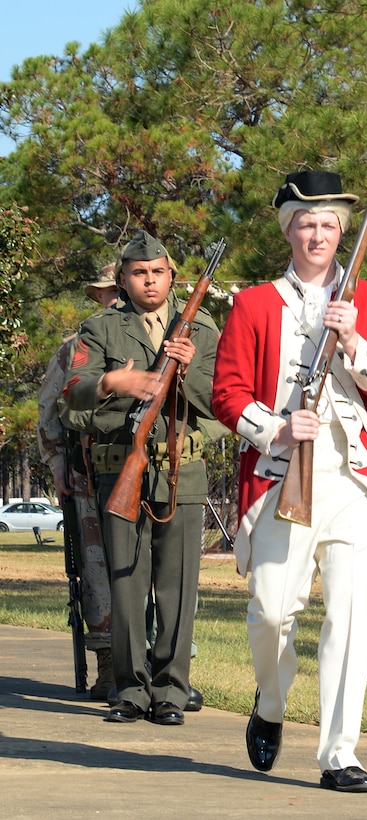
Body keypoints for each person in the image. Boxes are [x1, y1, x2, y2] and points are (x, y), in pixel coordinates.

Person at [212, 171, 367, 792]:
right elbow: (226, 394)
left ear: (342, 231)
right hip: (283, 474)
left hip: (353, 479)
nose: (317, 234)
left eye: (328, 224)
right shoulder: (254, 303)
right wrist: (273, 427)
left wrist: (354, 341)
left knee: (350, 619)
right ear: (288, 231)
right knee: (271, 613)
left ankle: (339, 753)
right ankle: (271, 703)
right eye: (306, 223)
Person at [63, 230, 219, 724]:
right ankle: (131, 690)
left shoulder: (204, 329)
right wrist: (115, 381)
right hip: (121, 468)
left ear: (171, 275)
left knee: (177, 585)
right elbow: (73, 391)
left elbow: (222, 400)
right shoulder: (101, 328)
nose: (149, 281)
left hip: (182, 471)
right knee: (127, 582)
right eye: (138, 273)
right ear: (123, 279)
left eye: (157, 272)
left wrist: (189, 371)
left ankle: (172, 691)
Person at [37, 265, 118, 700]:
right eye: (107, 293)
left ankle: (166, 669)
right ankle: (107, 666)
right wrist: (55, 464)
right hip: (87, 476)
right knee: (96, 570)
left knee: (158, 569)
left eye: (117, 291)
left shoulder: (162, 343)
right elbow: (49, 406)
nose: (114, 299)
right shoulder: (75, 348)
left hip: (151, 473)